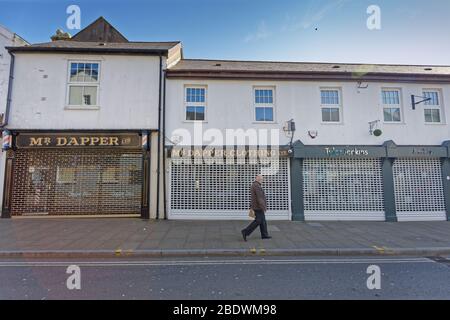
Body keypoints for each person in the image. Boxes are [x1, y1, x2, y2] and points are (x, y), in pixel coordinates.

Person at [241, 174, 272, 241]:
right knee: (258, 220)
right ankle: (245, 231)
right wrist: (263, 207)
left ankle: (264, 235)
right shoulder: (257, 186)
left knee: (263, 221)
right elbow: (259, 198)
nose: (262, 180)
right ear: (258, 179)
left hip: (256, 206)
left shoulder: (254, 185)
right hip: (258, 207)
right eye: (261, 179)